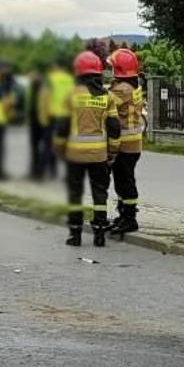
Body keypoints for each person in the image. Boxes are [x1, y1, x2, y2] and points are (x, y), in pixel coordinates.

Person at [61, 51, 121, 247]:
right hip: (98, 155)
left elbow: (62, 127)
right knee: (100, 194)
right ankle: (100, 234)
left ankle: (75, 234)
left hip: (74, 155)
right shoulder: (107, 97)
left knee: (75, 194)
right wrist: (112, 151)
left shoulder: (70, 95)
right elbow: (114, 128)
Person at [107, 48, 146, 236]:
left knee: (125, 182)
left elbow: (105, 103)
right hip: (133, 143)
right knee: (123, 180)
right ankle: (124, 215)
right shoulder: (133, 86)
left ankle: (130, 219)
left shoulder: (122, 89)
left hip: (125, 144)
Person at [40, 59, 74, 180]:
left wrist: (43, 118)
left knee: (49, 145)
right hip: (67, 116)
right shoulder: (69, 79)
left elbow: (45, 97)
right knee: (67, 145)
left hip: (53, 116)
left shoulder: (49, 78)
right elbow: (72, 97)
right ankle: (69, 173)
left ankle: (51, 172)